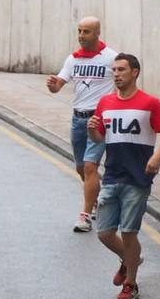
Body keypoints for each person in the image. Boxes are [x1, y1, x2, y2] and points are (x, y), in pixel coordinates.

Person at [88, 53, 160, 299]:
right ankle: (129, 259)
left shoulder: (150, 103)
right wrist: (93, 130)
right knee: (104, 233)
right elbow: (99, 138)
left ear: (135, 72)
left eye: (121, 70)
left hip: (138, 178)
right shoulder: (105, 102)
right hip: (112, 175)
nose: (116, 74)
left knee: (129, 232)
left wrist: (157, 156)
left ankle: (131, 283)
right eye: (114, 70)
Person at [47, 17, 119, 232]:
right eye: (79, 31)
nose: (81, 36)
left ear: (97, 33)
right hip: (78, 119)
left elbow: (123, 85)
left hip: (99, 119)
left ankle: (85, 216)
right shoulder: (73, 59)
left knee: (90, 166)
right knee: (81, 167)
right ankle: (99, 196)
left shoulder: (111, 58)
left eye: (86, 31)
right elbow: (58, 85)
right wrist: (53, 85)